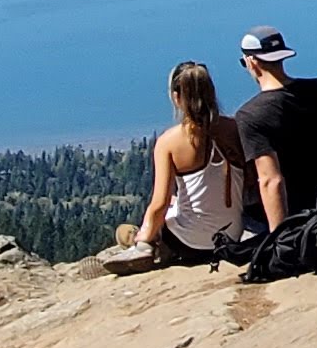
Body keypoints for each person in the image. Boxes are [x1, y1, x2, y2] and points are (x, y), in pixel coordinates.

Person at [107, 60, 256, 271]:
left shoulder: (169, 142)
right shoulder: (235, 129)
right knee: (178, 202)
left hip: (189, 243)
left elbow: (160, 203)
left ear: (177, 97)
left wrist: (146, 235)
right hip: (232, 236)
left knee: (132, 228)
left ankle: (144, 245)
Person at [229, 26, 317, 229]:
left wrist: (280, 240)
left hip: (298, 217)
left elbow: (271, 181)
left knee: (243, 218)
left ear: (252, 63)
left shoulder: (250, 115)